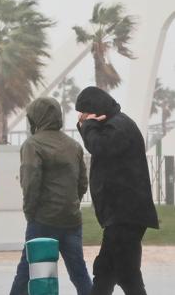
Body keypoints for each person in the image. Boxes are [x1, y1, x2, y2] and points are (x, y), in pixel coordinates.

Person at [75, 86, 159, 295]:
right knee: (113, 272)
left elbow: (100, 147)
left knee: (119, 273)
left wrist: (88, 126)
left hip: (125, 215)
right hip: (122, 215)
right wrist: (88, 126)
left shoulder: (118, 127)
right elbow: (97, 145)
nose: (81, 118)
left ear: (94, 111)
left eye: (84, 114)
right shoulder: (114, 125)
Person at [9, 97, 92, 295]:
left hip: (42, 220)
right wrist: (71, 204)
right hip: (71, 220)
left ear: (35, 118)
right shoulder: (74, 145)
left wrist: (31, 213)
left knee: (27, 271)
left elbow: (30, 184)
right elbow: (82, 183)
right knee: (79, 273)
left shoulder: (33, 145)